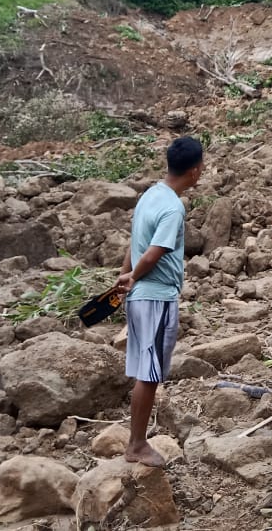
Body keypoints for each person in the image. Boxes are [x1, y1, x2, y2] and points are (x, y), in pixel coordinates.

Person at [115, 135, 204, 468]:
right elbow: (154, 252)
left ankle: (137, 441)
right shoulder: (172, 206)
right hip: (155, 296)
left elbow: (134, 242)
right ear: (195, 171)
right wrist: (135, 276)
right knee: (149, 374)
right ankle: (136, 444)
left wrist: (125, 276)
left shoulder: (150, 195)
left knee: (144, 369)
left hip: (140, 294)